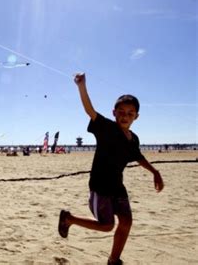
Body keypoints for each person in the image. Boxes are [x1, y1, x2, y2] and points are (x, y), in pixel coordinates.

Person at [58, 73, 164, 265]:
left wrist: (155, 172)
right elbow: (90, 110)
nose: (125, 116)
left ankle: (113, 260)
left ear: (136, 117)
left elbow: (138, 156)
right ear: (114, 112)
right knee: (107, 226)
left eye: (130, 113)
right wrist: (81, 86)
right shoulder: (106, 128)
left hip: (117, 186)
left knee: (126, 222)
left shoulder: (134, 138)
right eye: (121, 112)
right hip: (101, 186)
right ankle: (69, 219)